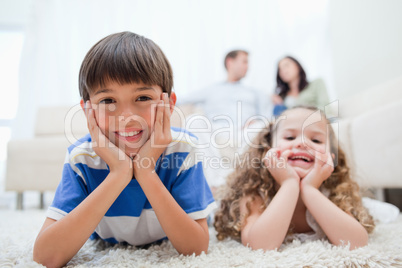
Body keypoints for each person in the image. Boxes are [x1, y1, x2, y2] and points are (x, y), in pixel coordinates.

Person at [33, 32, 216, 267]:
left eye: (142, 97)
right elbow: (46, 257)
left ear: (169, 104)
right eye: (108, 101)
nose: (127, 116)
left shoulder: (181, 149)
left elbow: (195, 248)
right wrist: (118, 173)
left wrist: (145, 172)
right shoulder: (81, 158)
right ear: (88, 110)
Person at [214, 106, 375, 251]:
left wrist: (310, 189)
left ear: (332, 157)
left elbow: (357, 243)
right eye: (290, 138)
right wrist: (289, 184)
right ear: (267, 150)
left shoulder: (333, 192)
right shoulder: (255, 191)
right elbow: (260, 246)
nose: (302, 143)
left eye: (316, 140)